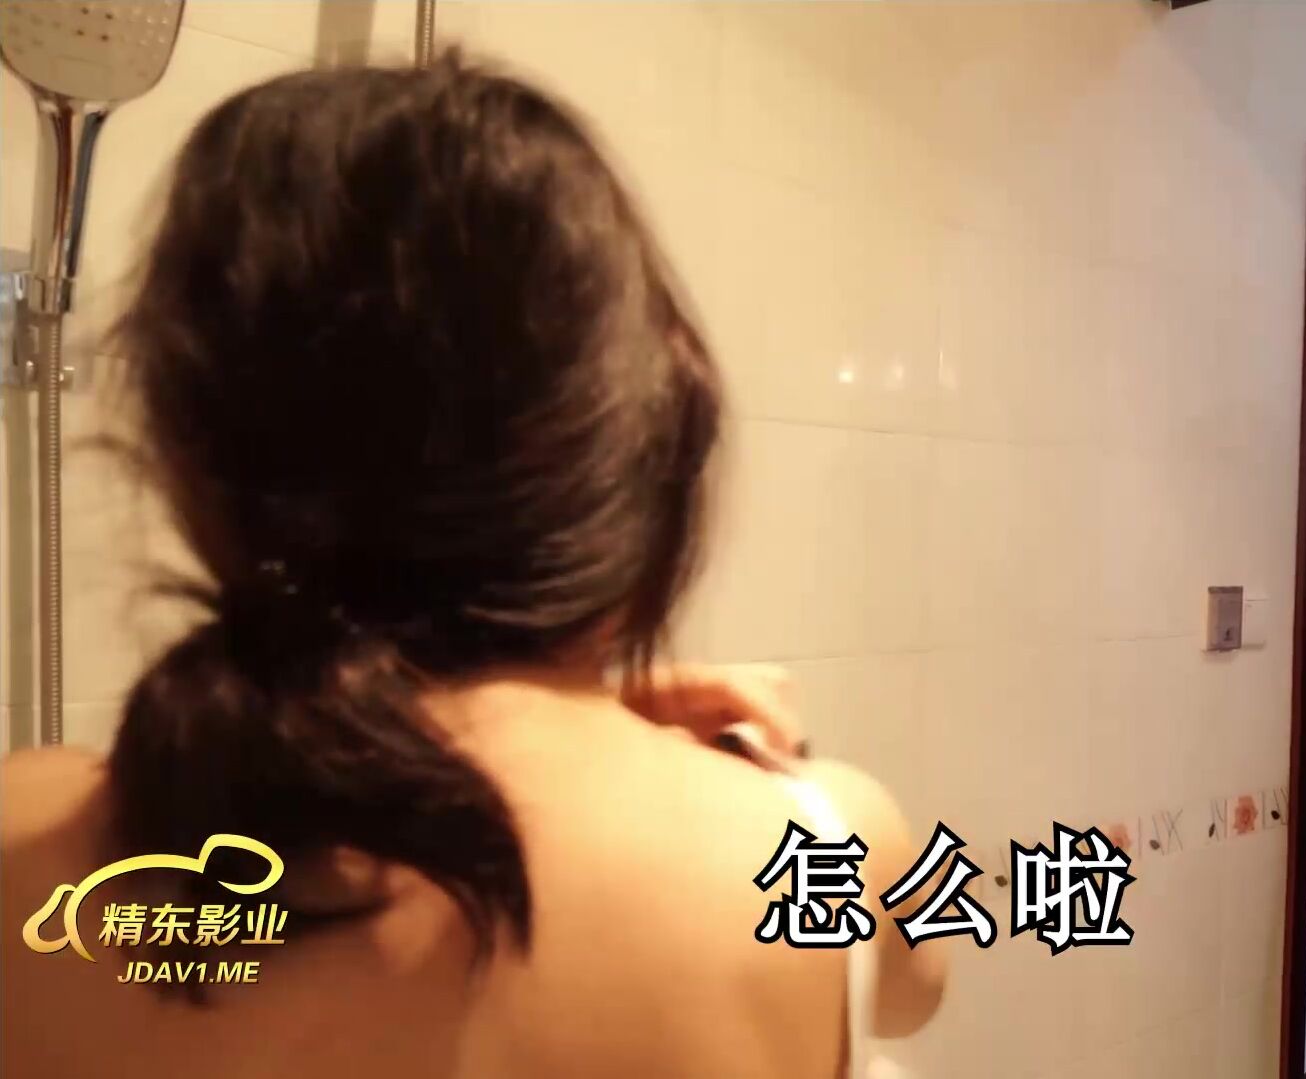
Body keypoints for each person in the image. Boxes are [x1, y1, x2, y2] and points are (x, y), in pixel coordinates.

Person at [1, 55, 947, 1078]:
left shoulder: (27, 849)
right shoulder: (824, 846)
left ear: (195, 439)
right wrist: (614, 735)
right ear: (630, 450)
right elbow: (916, 983)